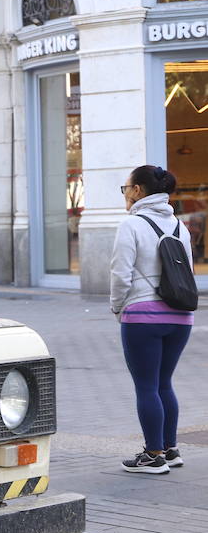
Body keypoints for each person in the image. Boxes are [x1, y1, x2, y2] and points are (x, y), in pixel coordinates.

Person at [110, 165, 194, 475]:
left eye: (126, 188)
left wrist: (118, 308)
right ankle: (170, 449)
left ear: (137, 191)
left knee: (146, 387)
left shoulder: (130, 225)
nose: (125, 194)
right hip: (181, 316)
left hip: (143, 317)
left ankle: (153, 455)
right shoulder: (179, 226)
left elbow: (120, 274)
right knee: (163, 383)